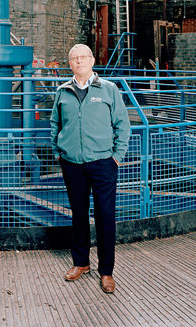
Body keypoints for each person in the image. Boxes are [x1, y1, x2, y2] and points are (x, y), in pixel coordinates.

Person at [50, 44, 130, 293]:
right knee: (79, 214)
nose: (79, 61)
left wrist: (116, 157)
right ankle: (81, 263)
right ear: (70, 63)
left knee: (106, 217)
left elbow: (122, 125)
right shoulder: (63, 91)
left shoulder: (108, 89)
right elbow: (55, 123)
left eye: (83, 57)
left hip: (102, 163)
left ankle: (106, 271)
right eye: (74, 58)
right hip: (72, 163)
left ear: (92, 60)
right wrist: (59, 154)